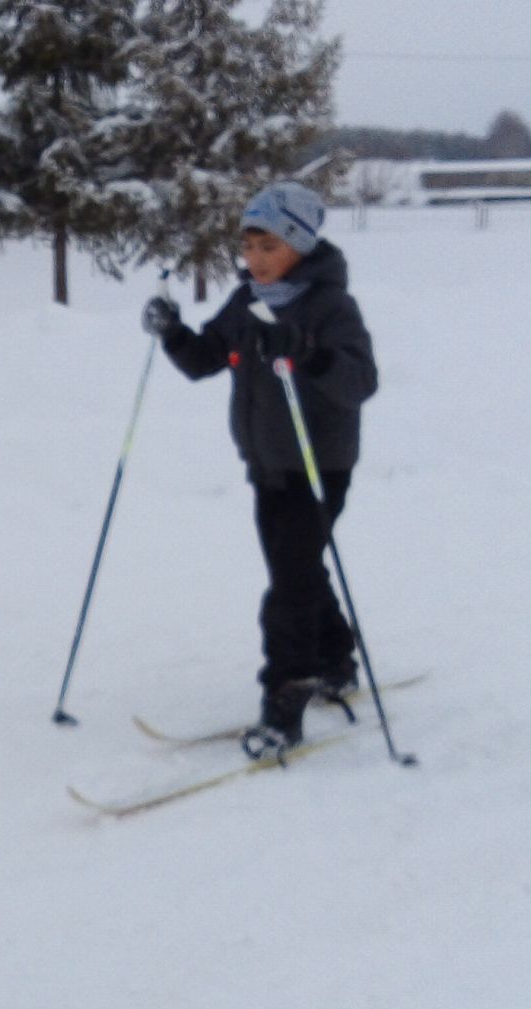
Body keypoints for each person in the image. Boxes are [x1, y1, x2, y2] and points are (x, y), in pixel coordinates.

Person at [140, 180, 379, 752]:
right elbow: (204, 360)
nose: (256, 259)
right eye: (248, 246)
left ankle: (285, 699)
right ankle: (336, 659)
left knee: (289, 587)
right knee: (297, 570)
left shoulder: (331, 306)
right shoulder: (246, 301)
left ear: (300, 244)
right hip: (267, 462)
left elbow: (360, 381)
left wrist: (306, 351)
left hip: (318, 466)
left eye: (269, 246)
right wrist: (172, 333)